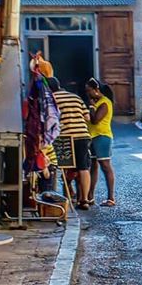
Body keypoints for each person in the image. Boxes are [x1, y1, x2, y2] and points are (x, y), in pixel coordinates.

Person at [49, 77, 92, 210]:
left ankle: (67, 193)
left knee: (65, 166)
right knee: (83, 168)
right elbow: (87, 117)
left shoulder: (51, 99)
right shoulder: (75, 97)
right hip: (82, 135)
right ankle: (84, 199)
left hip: (64, 137)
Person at [85, 77, 117, 207]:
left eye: (89, 91)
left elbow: (95, 120)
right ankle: (90, 196)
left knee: (105, 165)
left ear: (96, 90)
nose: (87, 94)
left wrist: (91, 107)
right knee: (93, 166)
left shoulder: (105, 103)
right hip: (92, 136)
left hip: (102, 136)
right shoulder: (98, 102)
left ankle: (111, 198)